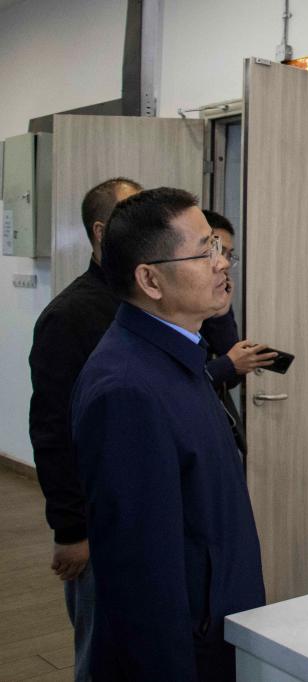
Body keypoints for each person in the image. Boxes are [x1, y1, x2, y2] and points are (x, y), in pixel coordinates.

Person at [71, 188, 265, 680]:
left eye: (219, 248)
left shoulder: (178, 354)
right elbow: (140, 577)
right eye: (205, 252)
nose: (222, 263)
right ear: (150, 279)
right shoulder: (127, 388)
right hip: (186, 652)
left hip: (216, 627)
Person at [29, 176, 142, 681]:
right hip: (100, 519)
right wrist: (71, 530)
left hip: (144, 509)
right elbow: (52, 430)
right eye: (130, 215)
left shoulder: (145, 300)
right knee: (103, 651)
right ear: (101, 231)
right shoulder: (71, 316)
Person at [199, 210, 277, 457]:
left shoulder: (213, 301)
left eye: (228, 255)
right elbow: (176, 385)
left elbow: (230, 377)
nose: (223, 264)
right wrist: (228, 365)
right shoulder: (178, 307)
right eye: (216, 251)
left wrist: (221, 314)